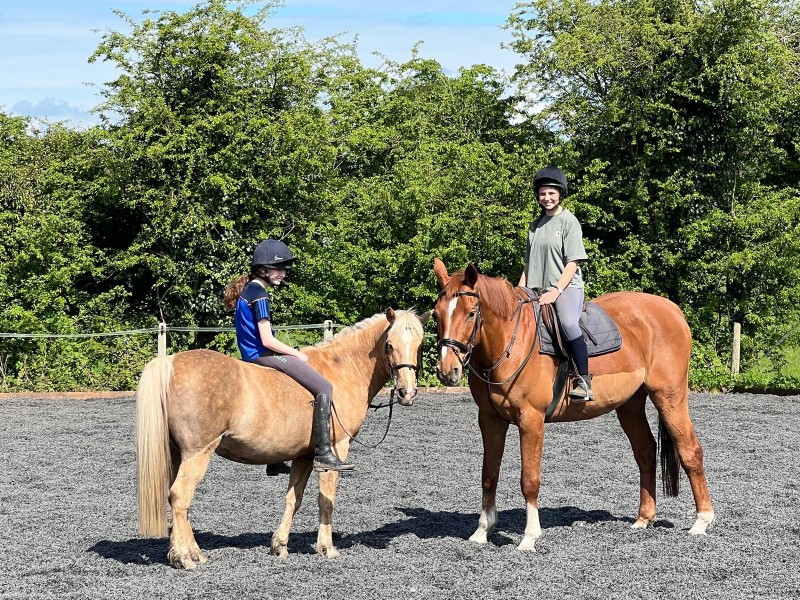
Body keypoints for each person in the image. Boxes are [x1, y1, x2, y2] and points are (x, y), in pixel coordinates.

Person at [223, 238, 354, 472]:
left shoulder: (247, 291)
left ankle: (274, 460)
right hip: (261, 354)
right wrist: (295, 353)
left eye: (285, 269)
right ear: (262, 269)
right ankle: (323, 452)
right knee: (324, 387)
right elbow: (267, 339)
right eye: (278, 268)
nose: (283, 273)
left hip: (249, 355)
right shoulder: (260, 296)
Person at [517, 166, 594, 402]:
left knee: (569, 323)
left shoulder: (569, 221)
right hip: (536, 289)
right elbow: (529, 264)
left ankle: (584, 380)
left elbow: (573, 262)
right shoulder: (535, 225)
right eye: (542, 193)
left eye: (551, 193)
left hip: (566, 287)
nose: (546, 198)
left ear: (560, 194)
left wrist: (557, 291)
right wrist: (518, 291)